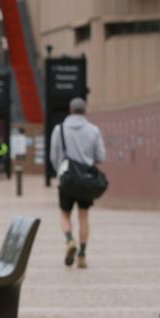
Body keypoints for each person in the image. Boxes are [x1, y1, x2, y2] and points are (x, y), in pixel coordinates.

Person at [49, 97, 105, 269]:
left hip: (67, 178)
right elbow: (101, 157)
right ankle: (82, 254)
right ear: (85, 110)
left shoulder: (59, 129)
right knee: (84, 216)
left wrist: (60, 172)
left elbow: (54, 155)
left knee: (64, 213)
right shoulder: (93, 130)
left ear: (70, 110)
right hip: (86, 180)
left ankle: (69, 240)